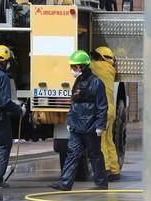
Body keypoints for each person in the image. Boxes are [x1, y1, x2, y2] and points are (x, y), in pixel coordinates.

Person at [49, 50, 108, 191]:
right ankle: (65, 183)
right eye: (72, 67)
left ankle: (101, 183)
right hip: (77, 127)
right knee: (72, 154)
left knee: (94, 154)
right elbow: (73, 104)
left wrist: (100, 125)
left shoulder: (97, 83)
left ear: (83, 67)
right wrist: (70, 121)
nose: (72, 70)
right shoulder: (78, 81)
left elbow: (102, 106)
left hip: (91, 127)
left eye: (75, 67)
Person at [0, 45, 25, 189]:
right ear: (4, 62)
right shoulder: (2, 77)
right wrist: (19, 110)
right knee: (5, 144)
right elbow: (5, 101)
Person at [90, 46, 121, 182]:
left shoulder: (97, 67)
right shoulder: (110, 69)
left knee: (101, 141)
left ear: (101, 58)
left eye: (96, 56)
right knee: (109, 141)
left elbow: (84, 64)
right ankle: (115, 170)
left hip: (103, 110)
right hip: (111, 110)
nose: (94, 58)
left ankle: (106, 169)